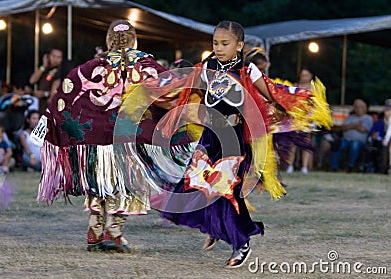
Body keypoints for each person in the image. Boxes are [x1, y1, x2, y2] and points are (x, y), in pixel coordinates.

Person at [34, 19, 168, 253]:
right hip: (129, 137)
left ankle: (95, 230)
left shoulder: (94, 65)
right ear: (135, 39)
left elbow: (68, 89)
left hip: (97, 139)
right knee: (126, 180)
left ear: (108, 40)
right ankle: (113, 231)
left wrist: (49, 115)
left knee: (100, 179)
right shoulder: (147, 66)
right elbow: (174, 89)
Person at [161, 21, 286, 269]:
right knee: (196, 184)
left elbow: (272, 94)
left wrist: (285, 107)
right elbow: (187, 88)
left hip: (234, 139)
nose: (218, 48)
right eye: (215, 43)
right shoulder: (208, 65)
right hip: (210, 135)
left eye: (225, 44)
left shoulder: (247, 70)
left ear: (239, 46)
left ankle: (241, 241)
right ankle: (216, 227)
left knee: (228, 190)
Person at [331, 99, 373, 172]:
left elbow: (363, 129)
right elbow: (343, 127)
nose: (358, 109)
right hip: (346, 139)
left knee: (355, 145)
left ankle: (351, 167)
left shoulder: (368, 118)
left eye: (360, 107)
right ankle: (334, 167)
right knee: (336, 144)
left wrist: (350, 126)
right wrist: (356, 125)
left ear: (365, 108)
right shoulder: (351, 117)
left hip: (360, 142)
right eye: (356, 107)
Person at [29, 48, 63, 114]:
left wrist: (45, 94)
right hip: (41, 106)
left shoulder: (62, 70)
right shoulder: (44, 69)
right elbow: (32, 80)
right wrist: (44, 66)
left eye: (58, 57)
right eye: (53, 56)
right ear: (48, 56)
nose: (55, 59)